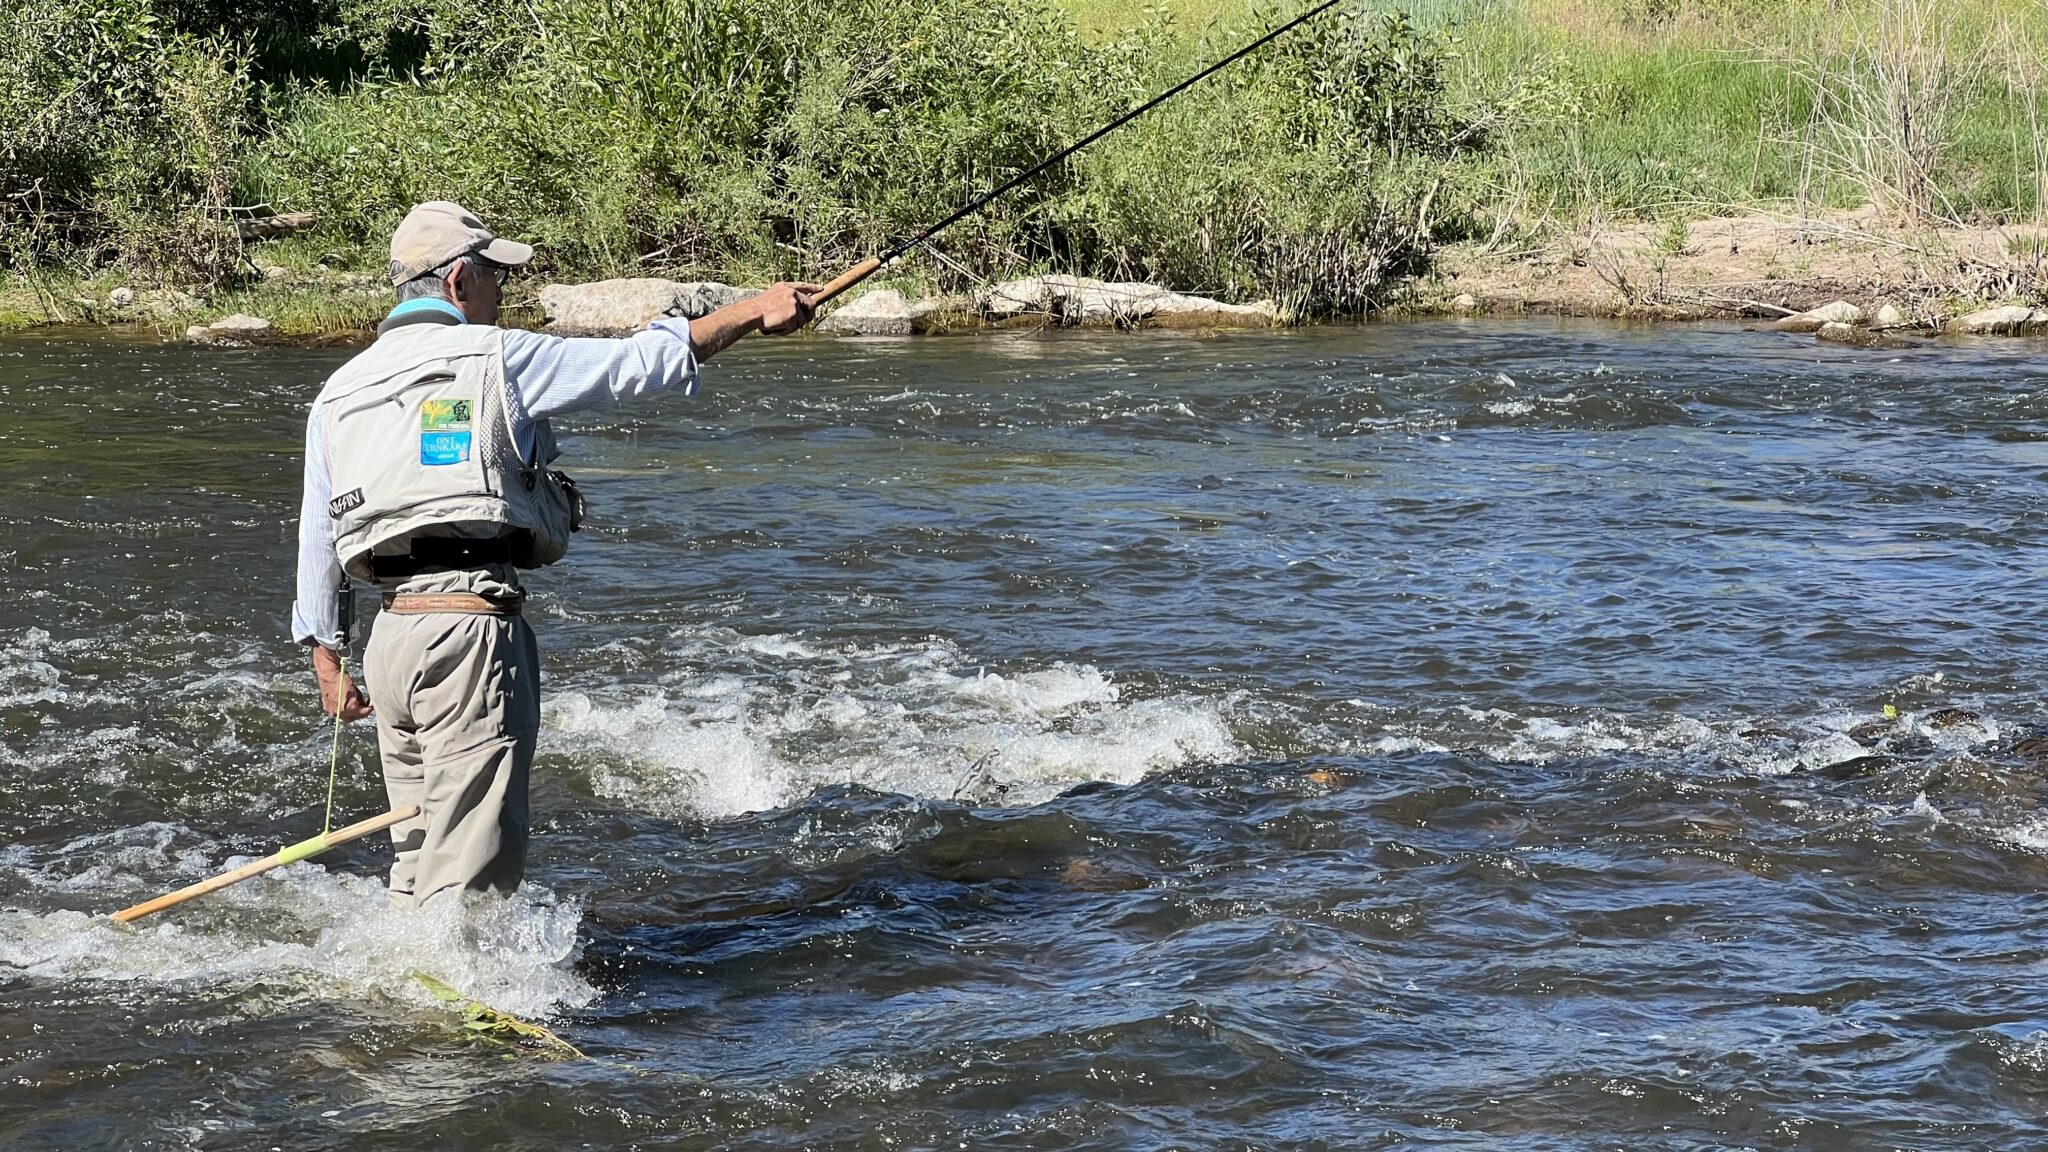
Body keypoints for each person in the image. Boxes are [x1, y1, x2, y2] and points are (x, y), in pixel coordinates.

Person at [291, 200, 816, 908]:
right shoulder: (499, 356)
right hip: (467, 628)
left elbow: (318, 538)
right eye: (494, 278)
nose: (501, 294)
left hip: (390, 642)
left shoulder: (338, 391)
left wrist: (329, 659)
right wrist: (753, 311)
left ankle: (410, 982)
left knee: (418, 851)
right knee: (476, 862)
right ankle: (463, 1003)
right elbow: (639, 366)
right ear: (456, 283)